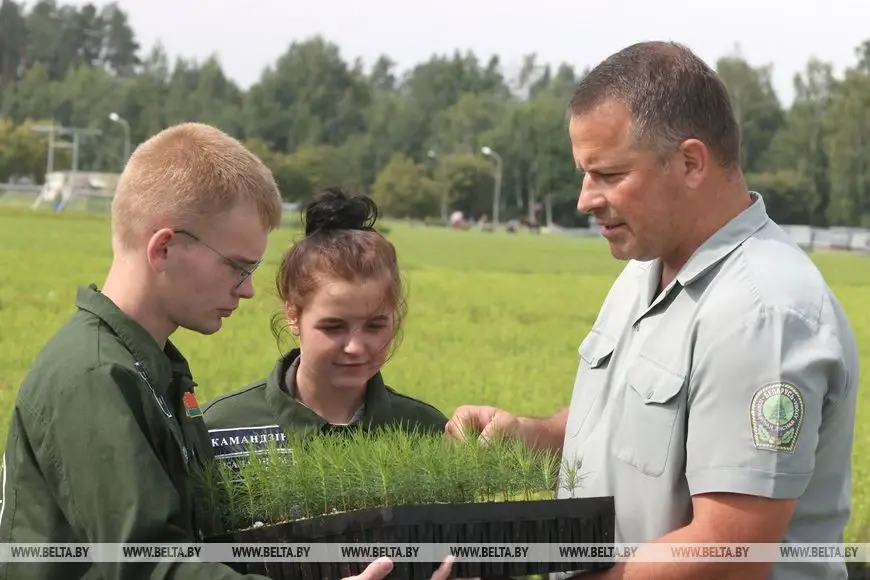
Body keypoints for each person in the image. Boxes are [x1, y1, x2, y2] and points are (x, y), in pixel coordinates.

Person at [445, 41, 859, 580]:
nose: (585, 199)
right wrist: (533, 436)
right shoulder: (645, 268)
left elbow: (728, 552)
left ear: (690, 163)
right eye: (584, 173)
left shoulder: (762, 313)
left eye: (609, 175)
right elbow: (639, 429)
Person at [0, 122, 453, 580]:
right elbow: (150, 567)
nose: (248, 289)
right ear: (165, 248)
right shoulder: (97, 376)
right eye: (237, 267)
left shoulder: (145, 368)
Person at [202, 187, 448, 464]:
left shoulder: (427, 432)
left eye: (375, 326)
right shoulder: (219, 430)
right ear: (293, 315)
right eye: (333, 327)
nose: (355, 347)